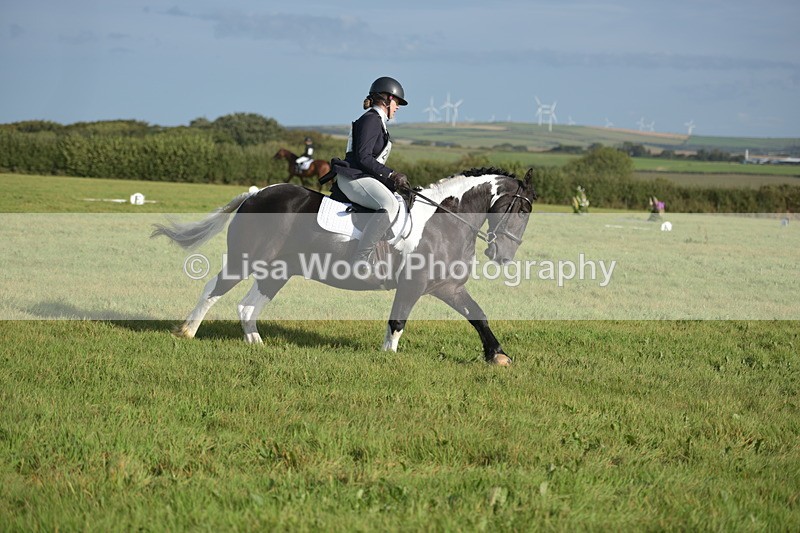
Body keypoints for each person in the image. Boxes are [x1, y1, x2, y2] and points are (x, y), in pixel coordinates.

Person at [330, 76, 410, 267]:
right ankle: (361, 259)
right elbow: (363, 157)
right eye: (397, 102)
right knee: (389, 204)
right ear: (388, 99)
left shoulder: (377, 121)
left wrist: (393, 183)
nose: (398, 107)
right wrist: (391, 174)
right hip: (353, 177)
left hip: (362, 176)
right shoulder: (371, 120)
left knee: (396, 198)